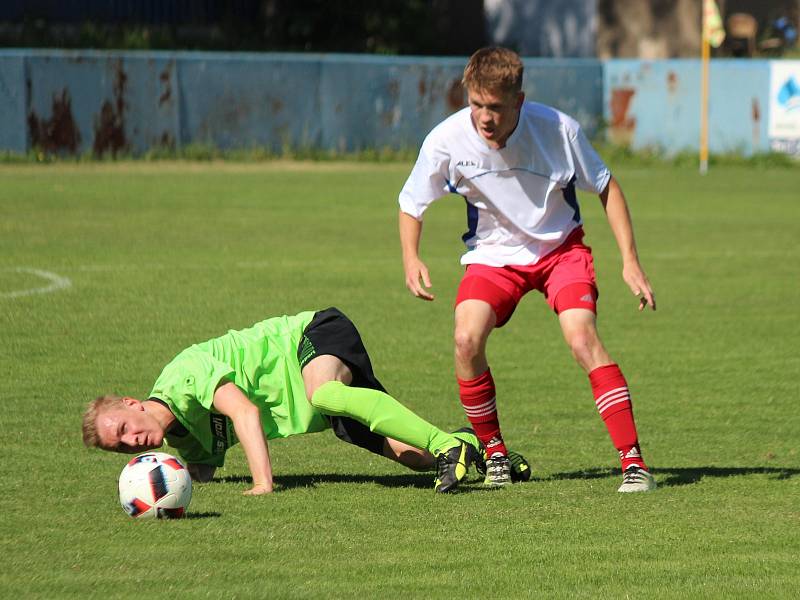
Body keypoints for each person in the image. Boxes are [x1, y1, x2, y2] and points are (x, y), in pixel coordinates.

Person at [398, 47, 657, 492]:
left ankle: (634, 462)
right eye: (476, 104)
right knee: (465, 338)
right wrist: (411, 256)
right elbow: (411, 203)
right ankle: (495, 454)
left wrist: (630, 260)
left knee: (581, 338)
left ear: (518, 100)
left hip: (561, 251)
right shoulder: (446, 140)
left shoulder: (559, 131)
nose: (484, 117)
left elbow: (606, 186)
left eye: (495, 107)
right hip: (494, 258)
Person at [82, 307, 494, 494]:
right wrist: (175, 489)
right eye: (120, 446)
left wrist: (263, 483)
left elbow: (244, 412)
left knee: (325, 393)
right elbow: (202, 468)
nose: (130, 441)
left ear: (132, 403)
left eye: (122, 428)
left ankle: (446, 445)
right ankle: (474, 446)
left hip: (312, 336)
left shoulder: (182, 378)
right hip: (325, 402)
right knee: (414, 458)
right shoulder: (183, 439)